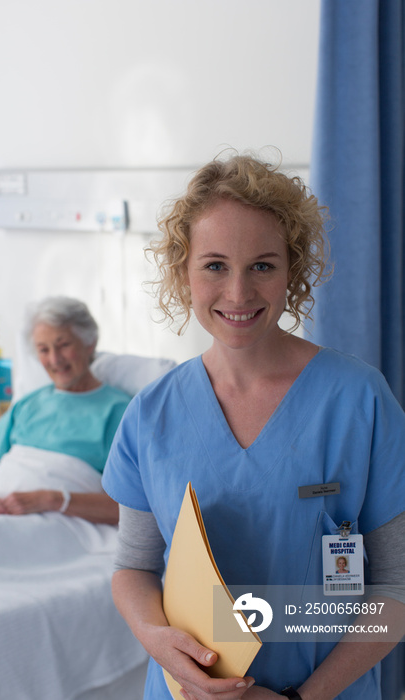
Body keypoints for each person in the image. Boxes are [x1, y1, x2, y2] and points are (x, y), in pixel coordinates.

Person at [101, 153, 405, 699]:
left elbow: (395, 587)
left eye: (262, 265)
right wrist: (153, 634)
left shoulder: (360, 400)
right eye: (215, 265)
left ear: (294, 272)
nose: (239, 294)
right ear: (182, 272)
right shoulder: (151, 415)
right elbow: (134, 566)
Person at [0, 296, 130, 524]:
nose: (54, 359)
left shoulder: (122, 413)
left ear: (89, 343)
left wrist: (53, 499)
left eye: (63, 345)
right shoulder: (27, 404)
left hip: (56, 527)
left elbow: (136, 507)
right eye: (43, 350)